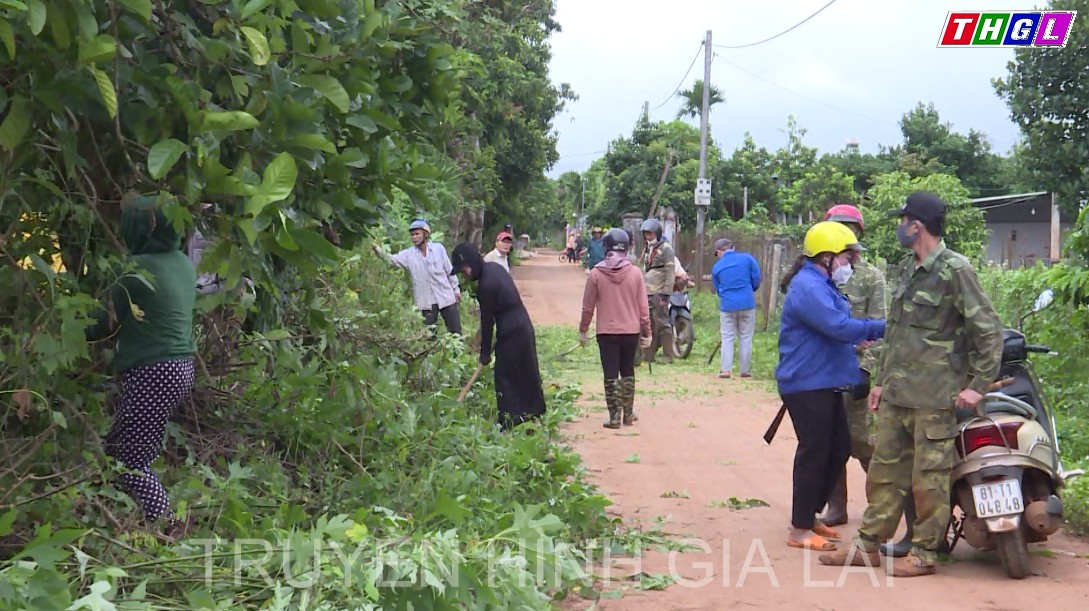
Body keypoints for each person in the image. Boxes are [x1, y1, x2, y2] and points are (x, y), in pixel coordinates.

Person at [819, 192, 1003, 577]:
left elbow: (988, 333)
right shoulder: (907, 267)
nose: (900, 227)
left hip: (935, 397)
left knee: (929, 478)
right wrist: (881, 381)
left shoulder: (956, 271)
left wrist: (978, 386)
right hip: (899, 395)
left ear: (916, 225)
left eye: (903, 221)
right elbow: (898, 332)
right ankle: (868, 545)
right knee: (884, 472)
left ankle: (924, 552)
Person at [85, 196, 197, 528]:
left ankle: (167, 523)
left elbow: (101, 324)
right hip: (180, 367)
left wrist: (59, 328)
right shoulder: (182, 262)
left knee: (132, 461)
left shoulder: (134, 270)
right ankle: (110, 513)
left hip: (153, 370)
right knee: (118, 445)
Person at [776, 221, 886, 552]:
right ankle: (799, 527)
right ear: (827, 257)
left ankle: (809, 516)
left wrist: (860, 339)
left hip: (825, 380)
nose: (849, 264)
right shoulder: (808, 287)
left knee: (838, 448)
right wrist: (884, 327)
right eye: (846, 258)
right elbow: (837, 326)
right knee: (815, 452)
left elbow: (833, 329)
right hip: (807, 383)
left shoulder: (821, 283)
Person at [819, 205, 887, 529]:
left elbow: (881, 329)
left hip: (857, 372)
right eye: (839, 229)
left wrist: (867, 370)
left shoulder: (872, 277)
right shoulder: (819, 275)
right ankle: (837, 507)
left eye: (850, 229)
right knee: (831, 443)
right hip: (824, 370)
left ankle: (880, 510)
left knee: (864, 443)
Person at [450, 243, 546, 430]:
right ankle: (533, 413)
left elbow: (487, 322)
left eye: (464, 270)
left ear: (471, 262)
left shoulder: (486, 285)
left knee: (505, 375)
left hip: (511, 330)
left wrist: (484, 353)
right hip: (523, 325)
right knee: (526, 370)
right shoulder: (494, 268)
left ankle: (509, 421)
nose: (466, 274)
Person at [579, 229, 653, 428]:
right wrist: (647, 332)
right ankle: (628, 415)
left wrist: (583, 330)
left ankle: (614, 418)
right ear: (627, 248)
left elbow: (588, 306)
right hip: (631, 332)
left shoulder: (595, 273)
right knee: (628, 370)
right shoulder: (636, 273)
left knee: (610, 373)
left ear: (605, 248)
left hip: (606, 332)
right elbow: (643, 307)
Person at [372, 219, 462, 334]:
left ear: (425, 234)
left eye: (417, 234)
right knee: (428, 335)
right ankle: (430, 352)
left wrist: (456, 289)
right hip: (426, 301)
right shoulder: (409, 255)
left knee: (455, 331)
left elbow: (450, 270)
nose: (414, 237)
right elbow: (392, 260)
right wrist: (378, 251)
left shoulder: (438, 249)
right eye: (412, 235)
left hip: (445, 295)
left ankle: (457, 352)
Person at [711, 238, 762, 379]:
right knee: (745, 336)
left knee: (727, 337)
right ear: (732, 247)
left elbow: (717, 288)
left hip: (728, 306)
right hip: (747, 303)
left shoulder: (717, 267)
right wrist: (750, 290)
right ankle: (745, 371)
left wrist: (727, 296)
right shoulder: (748, 259)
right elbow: (757, 278)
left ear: (719, 251)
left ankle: (726, 370)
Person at [640, 218, 676, 364]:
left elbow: (670, 272)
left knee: (663, 324)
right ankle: (649, 355)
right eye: (646, 234)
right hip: (648, 291)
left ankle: (668, 355)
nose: (648, 237)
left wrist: (666, 294)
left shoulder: (666, 249)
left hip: (659, 291)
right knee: (650, 324)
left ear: (658, 233)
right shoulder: (649, 249)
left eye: (651, 234)